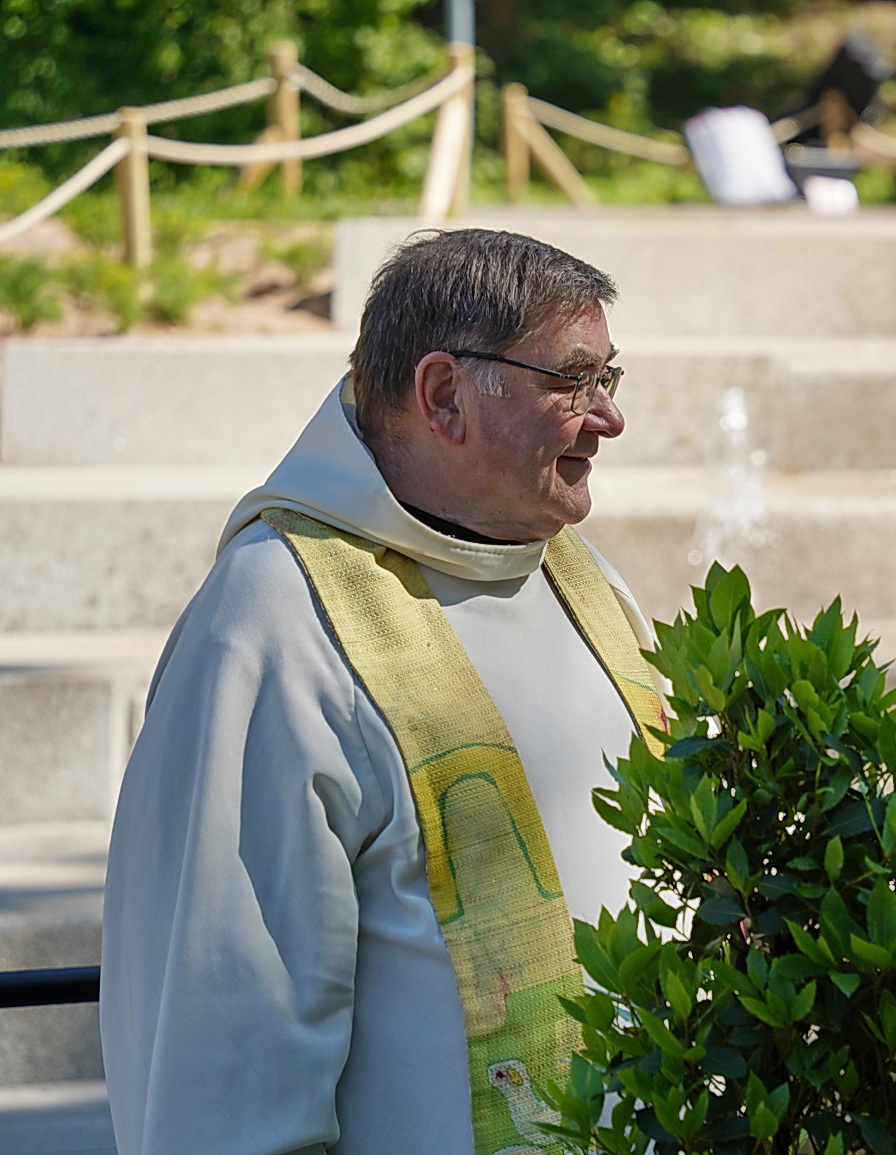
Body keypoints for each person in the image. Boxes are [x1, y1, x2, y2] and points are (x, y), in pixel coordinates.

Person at [101, 229, 663, 1155]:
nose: (607, 419)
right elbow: (225, 1053)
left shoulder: (582, 580)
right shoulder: (272, 622)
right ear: (444, 394)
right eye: (573, 381)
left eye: (609, 378)